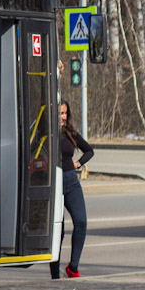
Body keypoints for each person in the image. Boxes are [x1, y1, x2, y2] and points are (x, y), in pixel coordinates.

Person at [50, 100, 93, 278]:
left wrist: (78, 163)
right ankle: (54, 274)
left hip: (71, 181)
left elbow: (89, 151)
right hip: (54, 182)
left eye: (65, 113)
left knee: (81, 222)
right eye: (60, 113)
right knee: (58, 231)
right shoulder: (44, 133)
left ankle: (73, 267)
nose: (63, 117)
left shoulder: (70, 133)